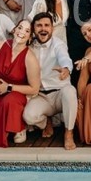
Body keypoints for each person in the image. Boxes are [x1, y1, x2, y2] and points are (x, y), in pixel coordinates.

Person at [23, 13, 78, 149]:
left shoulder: (58, 44)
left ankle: (68, 133)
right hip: (41, 96)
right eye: (39, 26)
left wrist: (66, 68)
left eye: (47, 25)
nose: (43, 29)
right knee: (29, 116)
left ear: (52, 28)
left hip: (59, 94)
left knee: (70, 91)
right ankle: (46, 122)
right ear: (34, 29)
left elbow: (64, 57)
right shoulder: (29, 47)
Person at [0, 18, 41, 147]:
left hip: (18, 93)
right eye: (20, 27)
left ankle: (19, 127)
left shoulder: (30, 58)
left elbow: (34, 89)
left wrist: (8, 88)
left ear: (30, 37)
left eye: (27, 31)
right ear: (14, 29)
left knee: (9, 100)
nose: (22, 32)